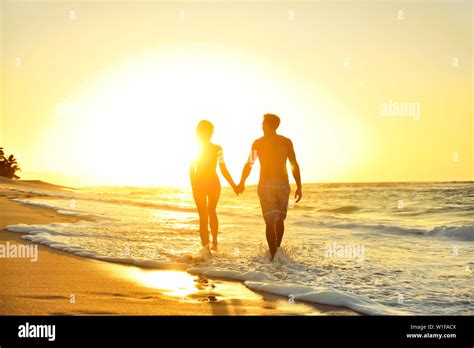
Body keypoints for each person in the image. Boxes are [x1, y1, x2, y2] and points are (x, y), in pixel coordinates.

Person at [237, 114, 302, 261]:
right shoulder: (286, 142)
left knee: (270, 221)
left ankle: (273, 256)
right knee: (279, 220)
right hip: (283, 184)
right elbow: (294, 164)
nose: (261, 126)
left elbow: (249, 163)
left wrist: (242, 182)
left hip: (266, 184)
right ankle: (277, 254)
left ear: (267, 125)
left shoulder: (258, 143)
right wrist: (299, 186)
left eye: (263, 123)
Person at [190, 120, 239, 255]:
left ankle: (210, 246)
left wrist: (234, 184)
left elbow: (222, 168)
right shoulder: (213, 148)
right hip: (206, 184)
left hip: (208, 184)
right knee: (208, 213)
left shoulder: (217, 149)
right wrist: (194, 184)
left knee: (207, 214)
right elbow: (191, 168)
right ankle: (210, 246)